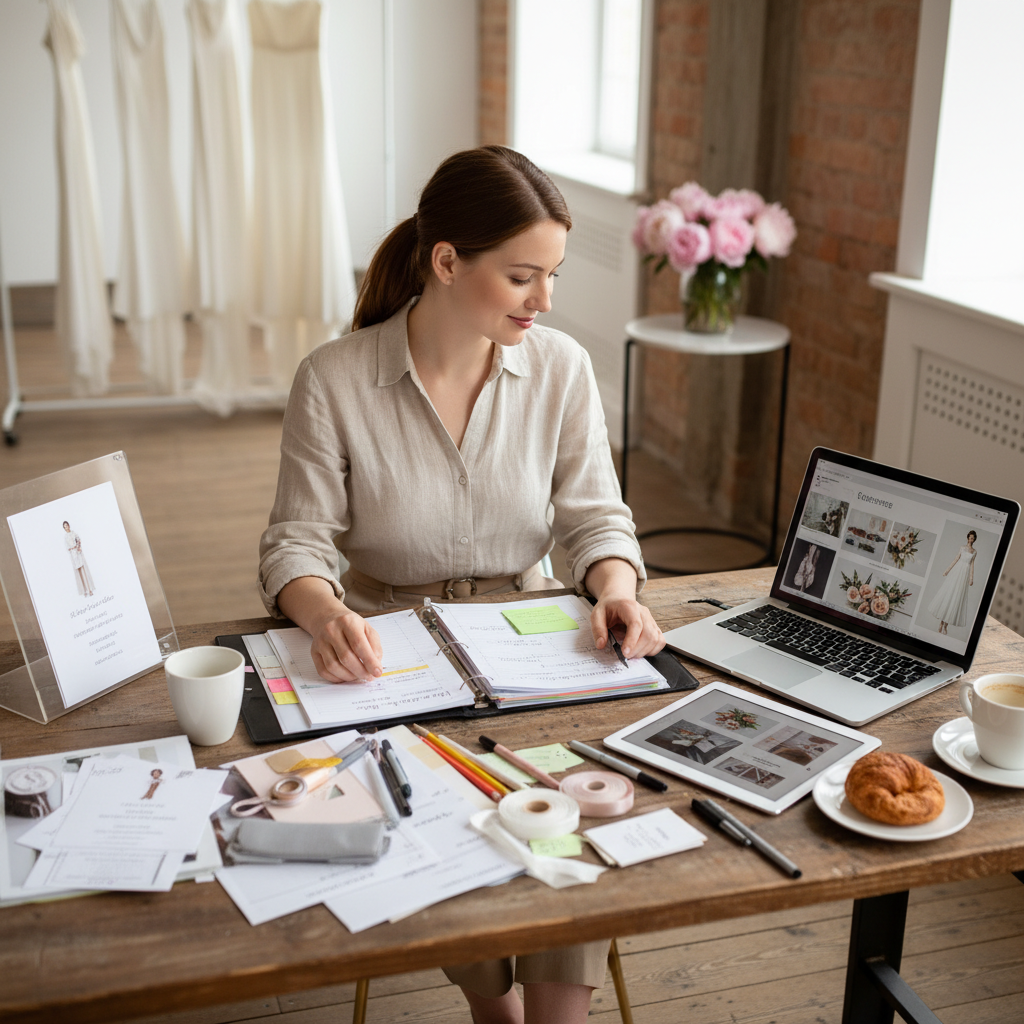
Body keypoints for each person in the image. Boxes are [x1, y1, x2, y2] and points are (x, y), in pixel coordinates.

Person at [258, 145, 664, 1024]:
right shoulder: (334, 379)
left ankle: (554, 1012)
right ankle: (493, 1008)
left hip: (534, 650)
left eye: (551, 275)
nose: (545, 301)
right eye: (524, 276)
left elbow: (596, 517)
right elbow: (295, 544)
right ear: (447, 262)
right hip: (393, 658)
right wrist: (323, 609)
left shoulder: (560, 369)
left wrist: (616, 586)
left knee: (572, 793)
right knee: (445, 807)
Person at [928, 529, 977, 635]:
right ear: (968, 537)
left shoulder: (974, 552)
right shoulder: (962, 548)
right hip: (957, 572)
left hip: (964, 575)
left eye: (972, 538)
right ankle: (941, 624)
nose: (971, 539)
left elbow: (972, 565)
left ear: (974, 540)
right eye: (970, 537)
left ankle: (946, 625)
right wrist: (947, 570)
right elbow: (956, 559)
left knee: (956, 598)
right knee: (949, 595)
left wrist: (971, 578)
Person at [63, 520, 95, 597]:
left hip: (78, 553)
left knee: (84, 571)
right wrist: (72, 548)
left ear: (69, 525)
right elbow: (67, 547)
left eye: (66, 526)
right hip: (73, 555)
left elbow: (78, 540)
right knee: (79, 573)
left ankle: (90, 589)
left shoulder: (74, 533)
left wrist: (78, 546)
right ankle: (84, 591)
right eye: (64, 527)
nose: (66, 528)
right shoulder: (65, 537)